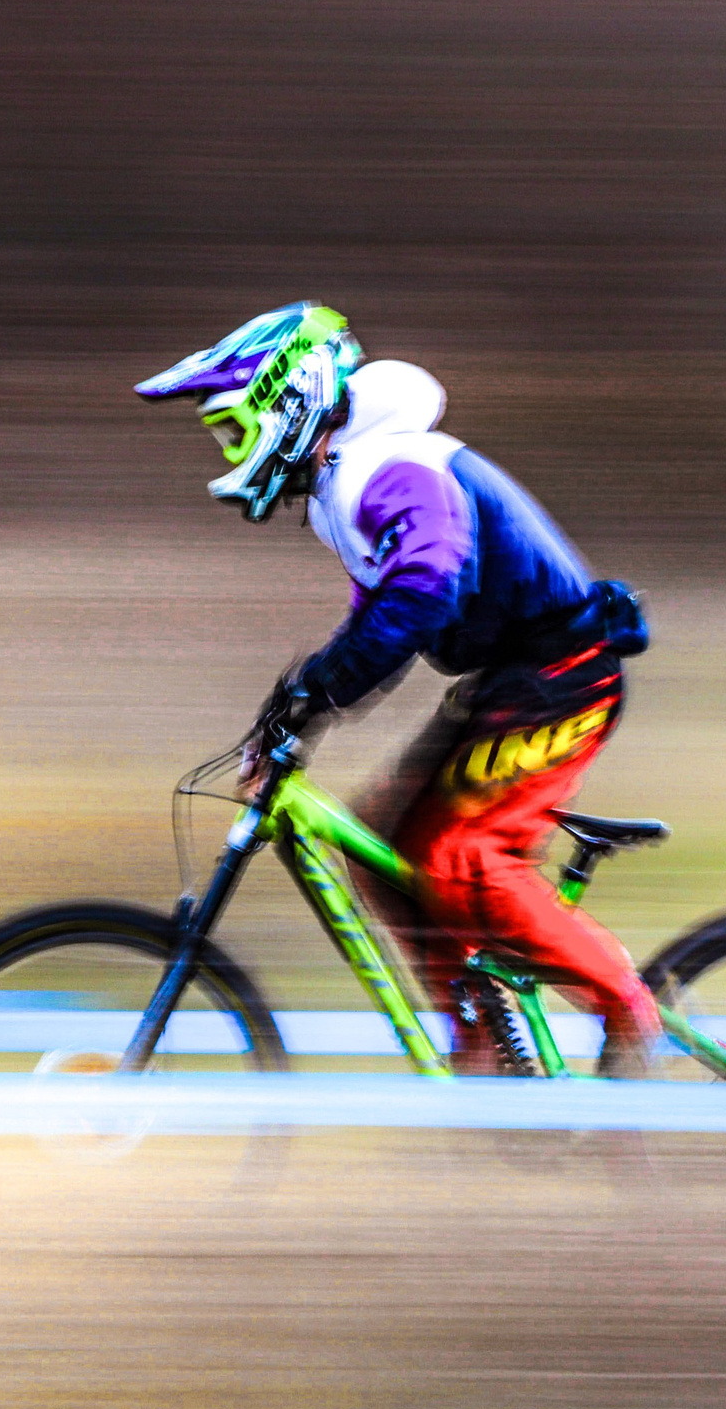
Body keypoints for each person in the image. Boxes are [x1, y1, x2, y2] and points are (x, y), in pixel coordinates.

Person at [136, 301, 660, 1077]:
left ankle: (627, 1010)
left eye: (235, 431)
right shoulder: (347, 483)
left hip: (564, 677)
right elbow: (379, 613)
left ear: (290, 402)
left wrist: (315, 691)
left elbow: (422, 594)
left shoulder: (391, 467)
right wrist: (292, 718)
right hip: (515, 679)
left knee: (463, 859)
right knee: (389, 845)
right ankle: (481, 1036)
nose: (229, 452)